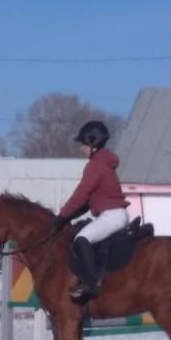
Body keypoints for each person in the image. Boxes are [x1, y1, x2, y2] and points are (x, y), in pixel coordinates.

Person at [53, 120, 129, 301]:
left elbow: (81, 194)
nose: (81, 149)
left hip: (111, 216)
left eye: (83, 144)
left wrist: (62, 216)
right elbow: (87, 201)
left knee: (81, 239)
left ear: (93, 144)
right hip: (114, 214)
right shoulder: (103, 163)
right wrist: (71, 215)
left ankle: (92, 283)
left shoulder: (96, 165)